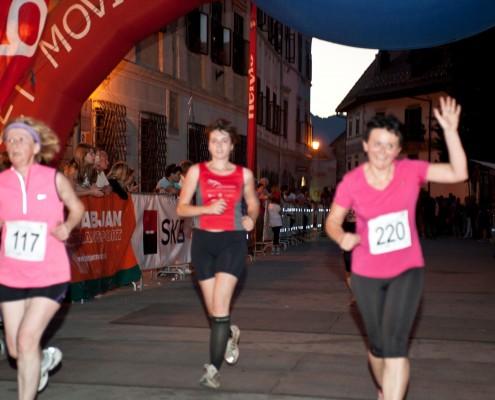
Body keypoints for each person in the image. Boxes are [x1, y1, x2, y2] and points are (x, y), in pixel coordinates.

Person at [325, 96, 467, 400]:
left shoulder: (409, 171)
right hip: (366, 273)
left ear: (398, 150)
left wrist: (451, 132)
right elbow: (332, 222)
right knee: (378, 348)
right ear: (366, 145)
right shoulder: (352, 182)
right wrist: (341, 237)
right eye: (377, 144)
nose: (383, 151)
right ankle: (384, 387)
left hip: (406, 270)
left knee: (396, 346)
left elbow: (458, 173)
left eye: (390, 145)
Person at [0, 117, 85, 399]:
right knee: (15, 349)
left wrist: (68, 226)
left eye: (20, 139)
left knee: (26, 339)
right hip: (10, 274)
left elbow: (77, 207)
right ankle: (42, 360)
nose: (14, 144)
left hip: (49, 273)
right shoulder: (1, 183)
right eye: (10, 140)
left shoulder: (53, 179)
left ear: (36, 147)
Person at [176, 119, 259, 389]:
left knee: (221, 308)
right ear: (209, 144)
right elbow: (181, 208)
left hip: (232, 242)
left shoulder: (244, 175)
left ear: (232, 145)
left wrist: (251, 218)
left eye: (224, 141)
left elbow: (254, 204)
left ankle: (212, 370)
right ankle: (230, 333)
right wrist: (206, 209)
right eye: (214, 141)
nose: (219, 146)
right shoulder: (196, 172)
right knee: (214, 312)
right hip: (203, 243)